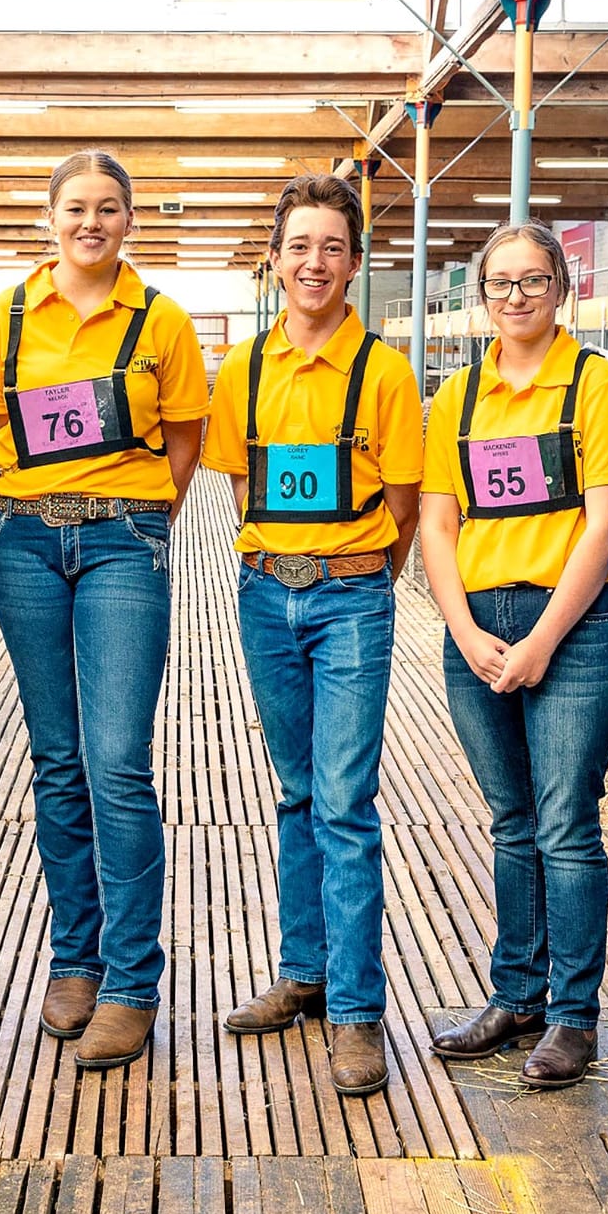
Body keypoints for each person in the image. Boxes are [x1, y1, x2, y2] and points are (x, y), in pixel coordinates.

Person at [0, 151, 208, 1071]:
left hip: (122, 542)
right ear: (50, 216)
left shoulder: (163, 322)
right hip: (25, 541)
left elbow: (183, 440)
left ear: (129, 219)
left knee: (115, 762)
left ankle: (131, 982)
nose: (92, 223)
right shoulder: (4, 319)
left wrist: (136, 515)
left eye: (109, 209)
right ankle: (75, 957)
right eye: (76, 208)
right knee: (56, 758)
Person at [204, 175, 423, 1095]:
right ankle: (303, 972)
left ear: (354, 263)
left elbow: (406, 507)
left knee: (343, 799)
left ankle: (357, 1011)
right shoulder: (244, 370)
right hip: (264, 595)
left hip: (350, 599)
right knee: (295, 792)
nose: (314, 263)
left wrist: (356, 572)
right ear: (276, 258)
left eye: (332, 247)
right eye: (300, 245)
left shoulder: (384, 370)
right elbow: (241, 488)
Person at [419, 222, 608, 1086]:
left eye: (534, 281)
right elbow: (440, 521)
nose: (516, 298)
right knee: (512, 821)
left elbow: (607, 518)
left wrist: (545, 637)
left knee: (565, 822)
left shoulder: (594, 385)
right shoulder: (459, 397)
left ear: (563, 289)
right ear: (482, 297)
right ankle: (516, 996)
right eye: (500, 284)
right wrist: (467, 631)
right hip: (478, 622)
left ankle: (573, 1016)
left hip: (573, 625)